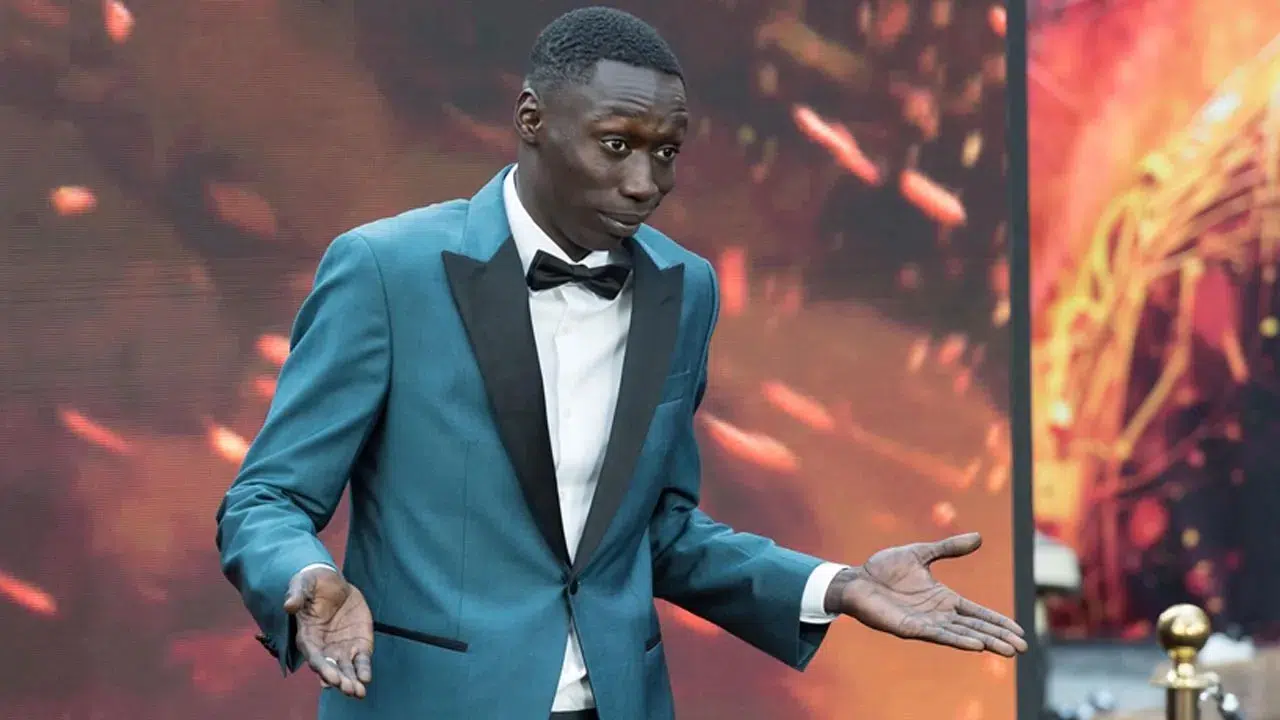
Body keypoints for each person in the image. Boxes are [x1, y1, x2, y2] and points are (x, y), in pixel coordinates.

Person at [215, 7, 1027, 719]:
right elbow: (266, 498)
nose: (646, 183)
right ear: (532, 119)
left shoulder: (686, 288)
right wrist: (302, 577)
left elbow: (660, 531)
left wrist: (836, 586)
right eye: (617, 145)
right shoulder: (386, 271)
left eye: (666, 152)